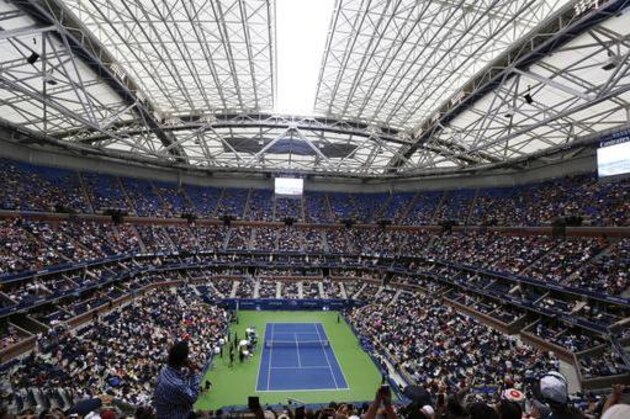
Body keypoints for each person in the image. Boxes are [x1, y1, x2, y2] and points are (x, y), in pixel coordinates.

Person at [153, 341, 201, 419]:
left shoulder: (164, 370)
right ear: (185, 360)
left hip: (164, 413)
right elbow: (193, 397)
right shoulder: (177, 385)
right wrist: (193, 373)